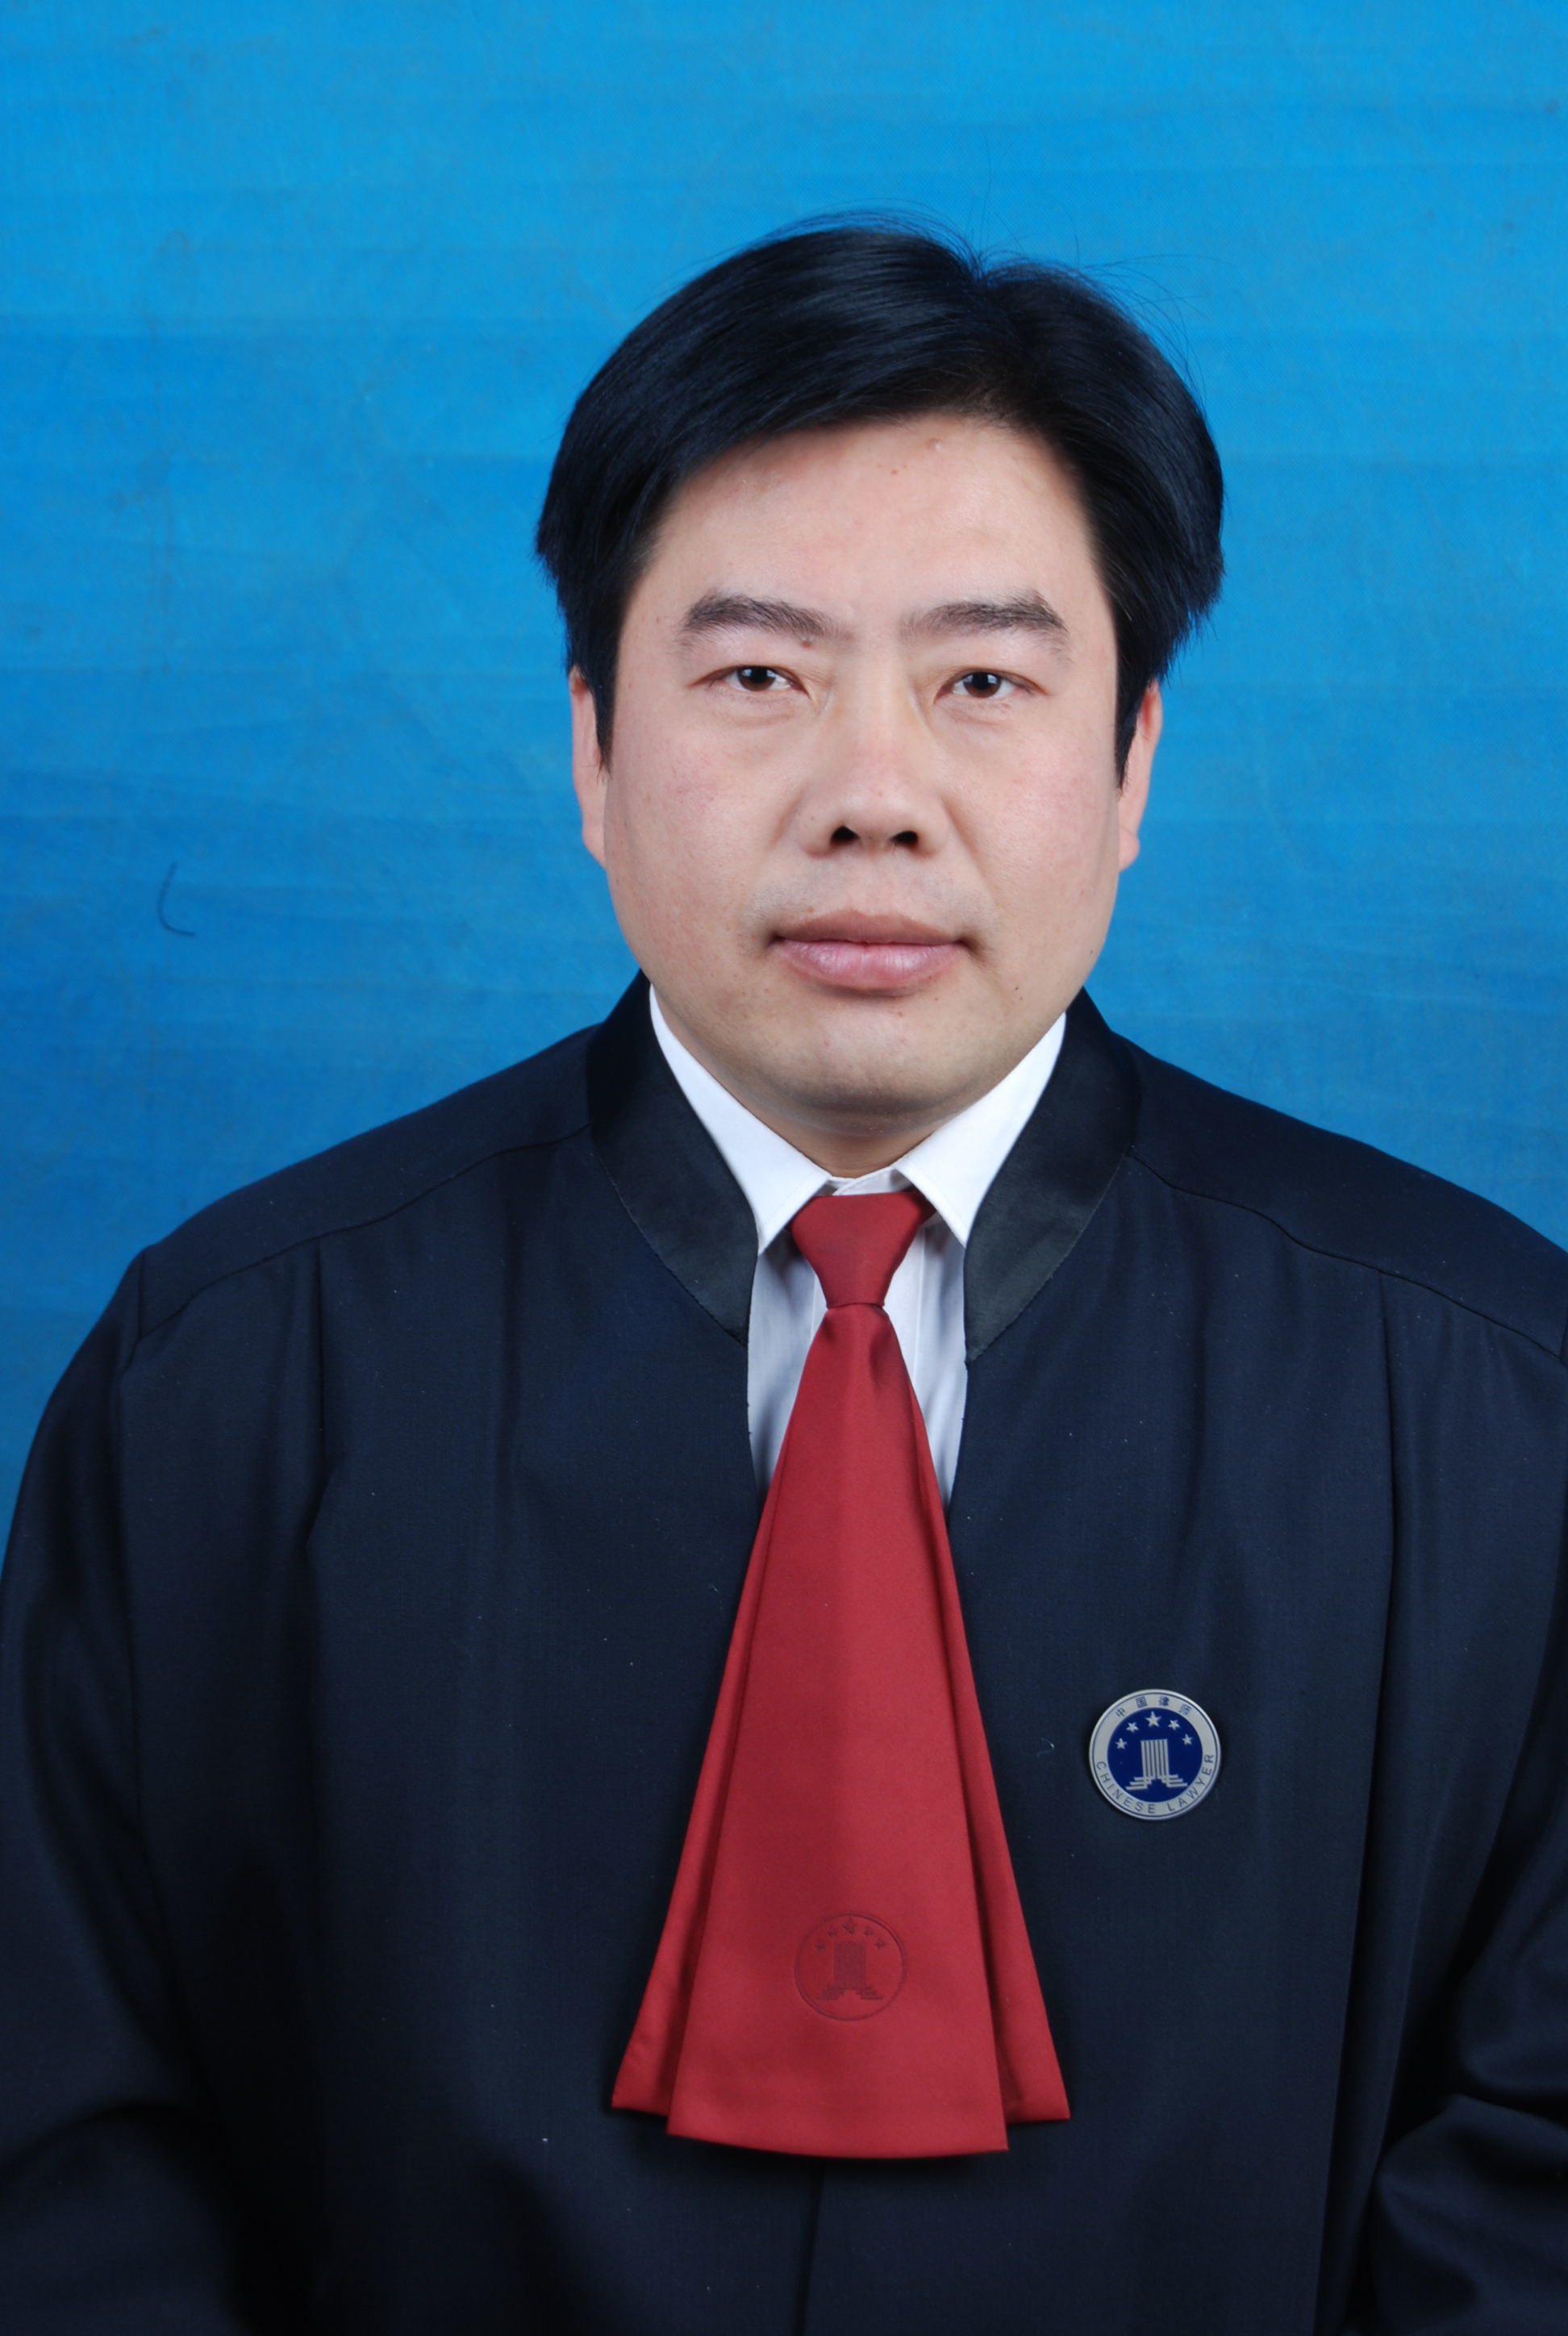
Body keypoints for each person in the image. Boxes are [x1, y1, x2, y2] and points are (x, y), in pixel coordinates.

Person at [1, 220, 1565, 2335]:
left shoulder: (1486, 1405)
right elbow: (70, 2152)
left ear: (1133, 764)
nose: (871, 797)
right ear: (590, 748)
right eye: (757, 677)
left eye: (983, 683)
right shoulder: (230, 1384)